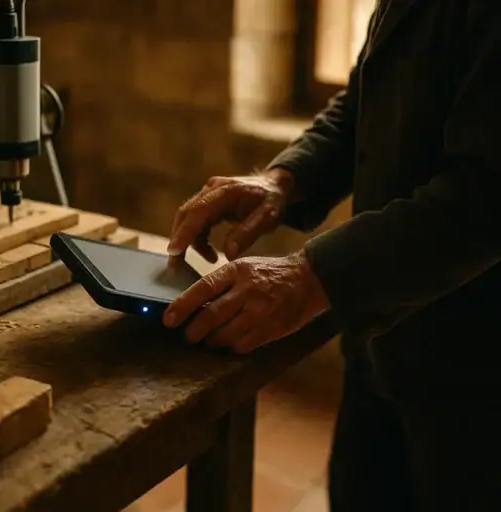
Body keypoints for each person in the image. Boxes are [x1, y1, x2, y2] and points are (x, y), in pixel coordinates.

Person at [163, 2, 501, 511]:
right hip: (380, 337)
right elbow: (365, 97)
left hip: (475, 371)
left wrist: (310, 277)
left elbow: (485, 197)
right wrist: (281, 179)